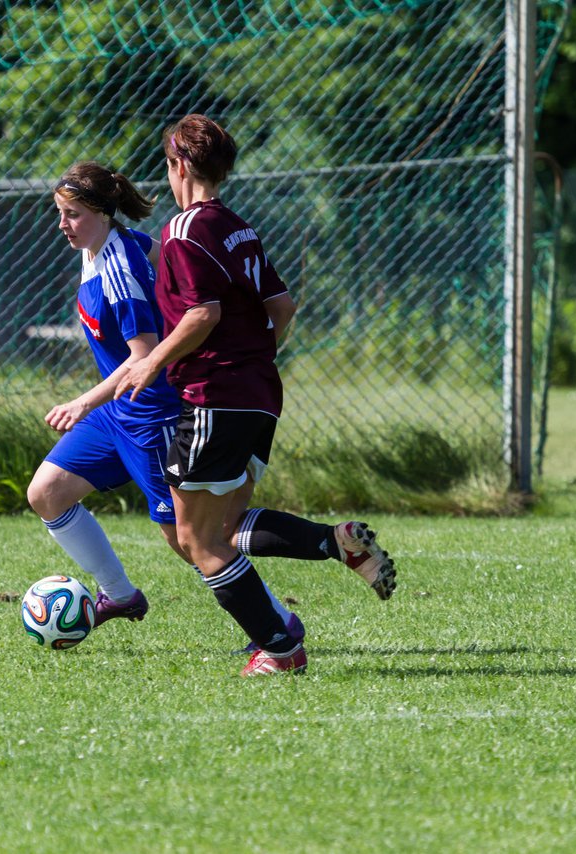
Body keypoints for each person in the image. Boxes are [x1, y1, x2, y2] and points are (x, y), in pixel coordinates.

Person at [114, 114, 397, 676]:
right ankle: (335, 543)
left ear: (181, 166)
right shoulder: (238, 226)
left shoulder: (182, 232)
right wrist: (256, 357)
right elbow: (283, 308)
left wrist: (151, 363)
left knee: (197, 540)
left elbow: (202, 313)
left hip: (211, 395)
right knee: (226, 525)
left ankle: (280, 647)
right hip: (259, 394)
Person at [27, 160, 300, 630]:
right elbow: (164, 256)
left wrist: (82, 402)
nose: (62, 225)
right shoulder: (111, 245)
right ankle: (121, 597)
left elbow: (145, 357)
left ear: (102, 212)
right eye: (59, 212)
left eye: (72, 214)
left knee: (190, 540)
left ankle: (278, 623)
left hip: (151, 416)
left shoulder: (118, 268)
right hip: (117, 413)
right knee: (47, 493)